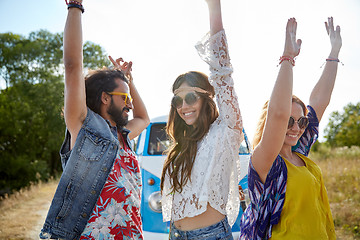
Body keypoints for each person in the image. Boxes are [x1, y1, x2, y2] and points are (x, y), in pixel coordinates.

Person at [39, 1, 150, 239]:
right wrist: (75, 8)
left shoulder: (124, 135)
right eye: (125, 97)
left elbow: (143, 117)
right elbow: (72, 67)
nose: (130, 103)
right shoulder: (84, 128)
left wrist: (129, 81)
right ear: (105, 98)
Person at [239, 17, 342, 239]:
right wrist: (287, 58)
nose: (296, 128)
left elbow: (320, 100)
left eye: (301, 121)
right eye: (289, 121)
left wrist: (334, 54)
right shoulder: (266, 161)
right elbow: (277, 113)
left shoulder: (300, 153)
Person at [160, 0, 243, 239]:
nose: (183, 106)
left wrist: (214, 8)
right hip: (176, 234)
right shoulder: (182, 144)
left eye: (190, 97)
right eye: (177, 101)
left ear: (207, 97)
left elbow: (223, 72)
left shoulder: (225, 131)